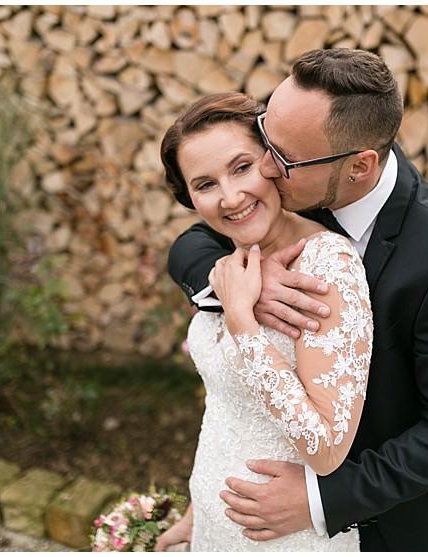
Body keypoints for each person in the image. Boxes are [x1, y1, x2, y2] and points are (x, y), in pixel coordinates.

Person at [166, 48, 428, 551]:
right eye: (264, 136)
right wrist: (237, 285)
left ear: (359, 168)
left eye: (278, 158)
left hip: (403, 524)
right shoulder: (296, 177)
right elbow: (192, 242)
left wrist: (321, 499)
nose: (263, 169)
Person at [153, 92, 373, 551]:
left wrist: (243, 326)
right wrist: (197, 512)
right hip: (216, 524)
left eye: (241, 167)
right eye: (205, 184)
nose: (231, 198)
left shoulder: (326, 265)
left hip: (283, 535)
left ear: (274, 162)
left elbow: (327, 448)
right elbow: (227, 407)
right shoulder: (232, 261)